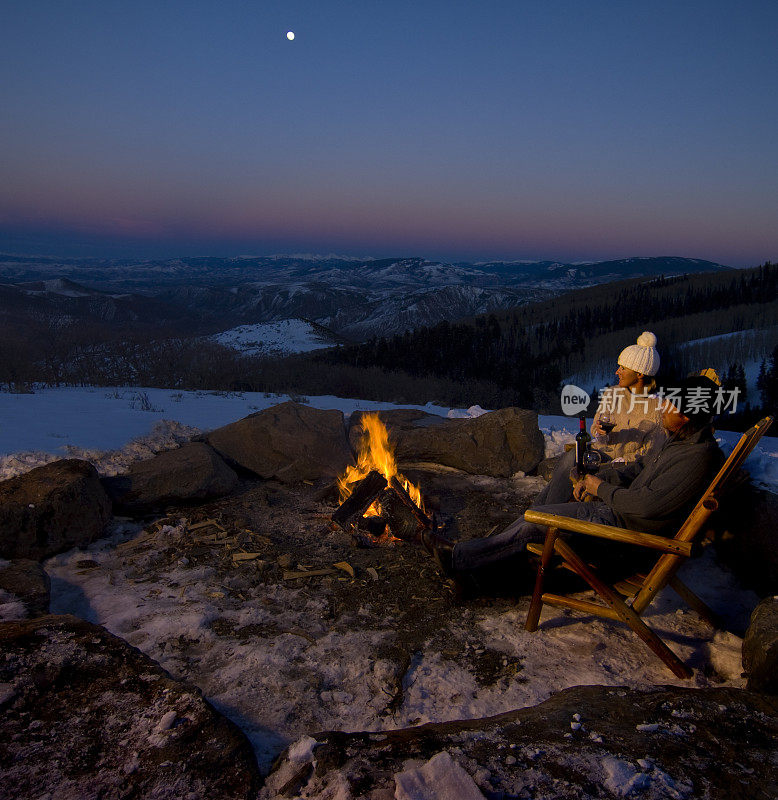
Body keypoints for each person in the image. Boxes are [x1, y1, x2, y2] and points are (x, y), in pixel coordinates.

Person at [421, 375, 725, 588]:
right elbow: (641, 466)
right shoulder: (679, 442)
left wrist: (599, 488)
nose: (662, 408)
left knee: (536, 522)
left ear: (686, 415)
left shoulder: (695, 457)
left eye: (670, 406)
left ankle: (459, 558)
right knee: (536, 516)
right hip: (620, 515)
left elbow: (646, 506)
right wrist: (599, 477)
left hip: (627, 533)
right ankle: (488, 550)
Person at [537, 331, 666, 506]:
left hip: (623, 466)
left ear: (640, 374)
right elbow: (596, 429)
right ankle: (540, 511)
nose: (617, 371)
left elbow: (650, 452)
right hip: (599, 454)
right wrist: (600, 431)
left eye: (623, 368)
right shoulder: (612, 393)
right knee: (570, 457)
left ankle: (543, 514)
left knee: (572, 466)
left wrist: (619, 461)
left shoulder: (657, 407)